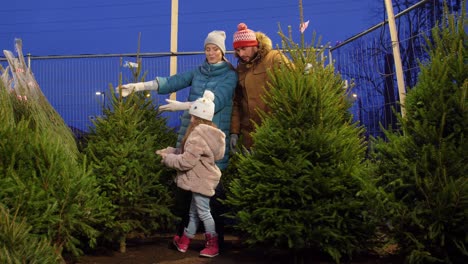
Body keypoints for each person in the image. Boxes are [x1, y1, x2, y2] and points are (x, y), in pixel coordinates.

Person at [116, 30, 236, 249]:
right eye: (208, 49)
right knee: (185, 193)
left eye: (215, 49)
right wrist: (138, 87)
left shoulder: (229, 76)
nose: (211, 53)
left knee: (211, 196)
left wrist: (180, 106)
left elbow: (214, 103)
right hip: (190, 139)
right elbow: (172, 82)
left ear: (222, 51)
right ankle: (183, 238)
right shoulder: (198, 72)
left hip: (210, 144)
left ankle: (216, 241)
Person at [156, 90, 225, 258]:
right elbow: (187, 152)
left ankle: (212, 244)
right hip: (202, 179)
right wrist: (169, 151)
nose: (190, 118)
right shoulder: (209, 134)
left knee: (203, 212)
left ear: (196, 117)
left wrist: (167, 159)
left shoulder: (196, 136)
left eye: (192, 115)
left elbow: (186, 161)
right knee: (194, 213)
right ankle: (184, 242)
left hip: (201, 180)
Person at [229, 22, 290, 151]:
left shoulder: (274, 58)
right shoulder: (241, 68)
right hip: (249, 136)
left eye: (244, 48)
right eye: (237, 50)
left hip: (274, 131)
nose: (240, 54)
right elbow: (236, 102)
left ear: (254, 45)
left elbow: (294, 84)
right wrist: (234, 131)